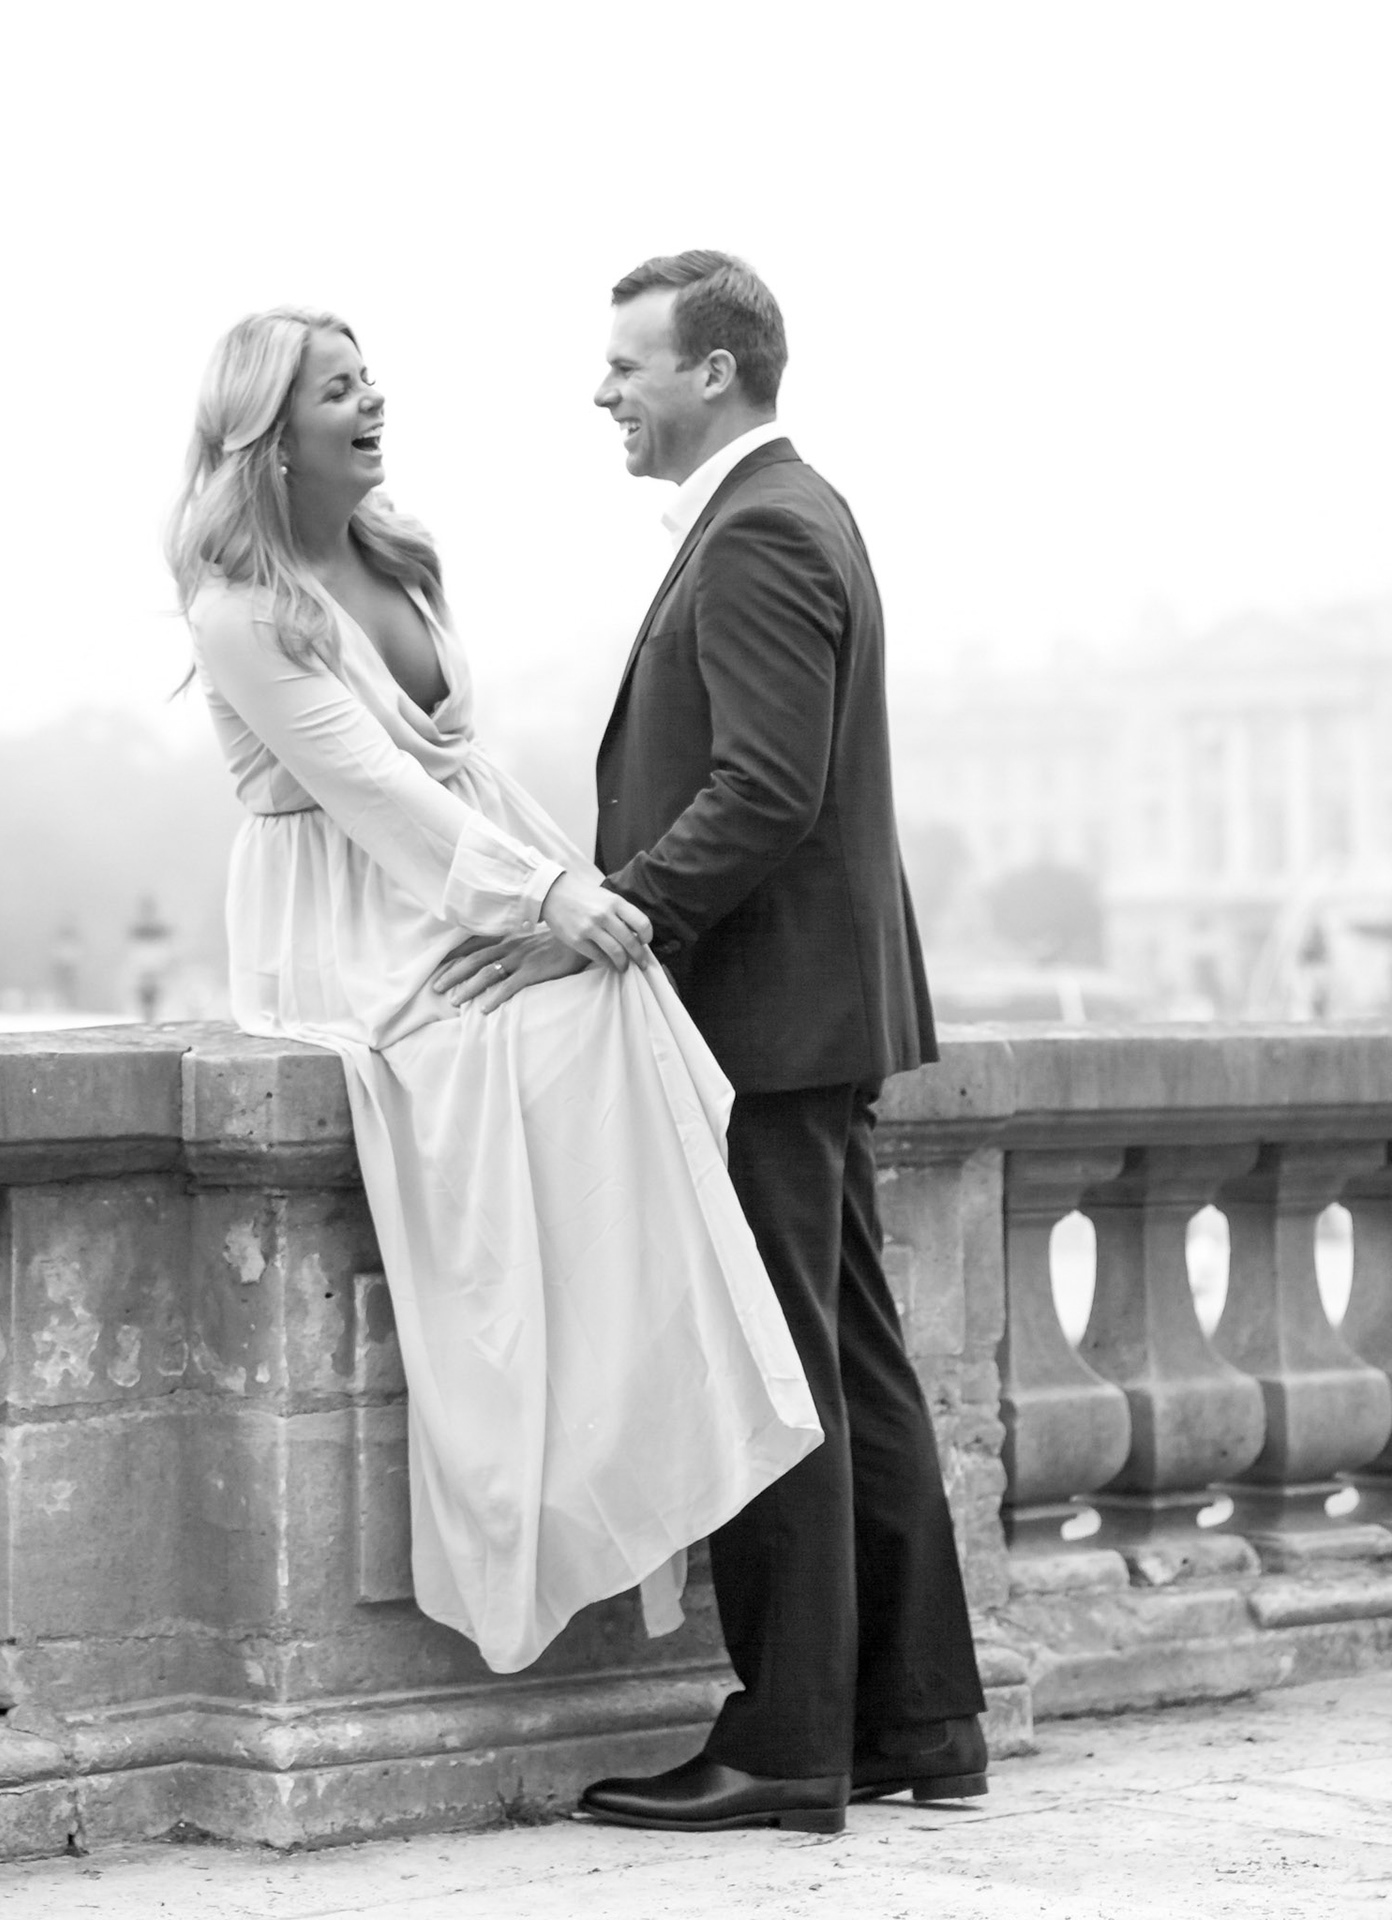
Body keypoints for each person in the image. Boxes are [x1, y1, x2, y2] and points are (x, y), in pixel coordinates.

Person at [169, 308, 824, 1716]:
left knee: (624, 1017)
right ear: (267, 435)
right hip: (355, 921)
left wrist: (570, 903)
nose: (372, 402)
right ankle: (594, 1463)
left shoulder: (400, 553)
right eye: (338, 390)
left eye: (368, 379)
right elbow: (378, 795)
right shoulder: (240, 608)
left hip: (474, 876)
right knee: (572, 1036)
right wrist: (546, 909)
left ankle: (653, 1423)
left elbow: (463, 769)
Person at [470, 250, 989, 1829]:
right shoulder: (800, 508)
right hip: (811, 1012)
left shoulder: (761, 528)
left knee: (776, 1382)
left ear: (713, 371)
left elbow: (766, 786)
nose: (603, 392)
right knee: (855, 1375)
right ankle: (918, 1726)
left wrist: (621, 916)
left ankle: (785, 1748)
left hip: (759, 1024)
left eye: (627, 364)